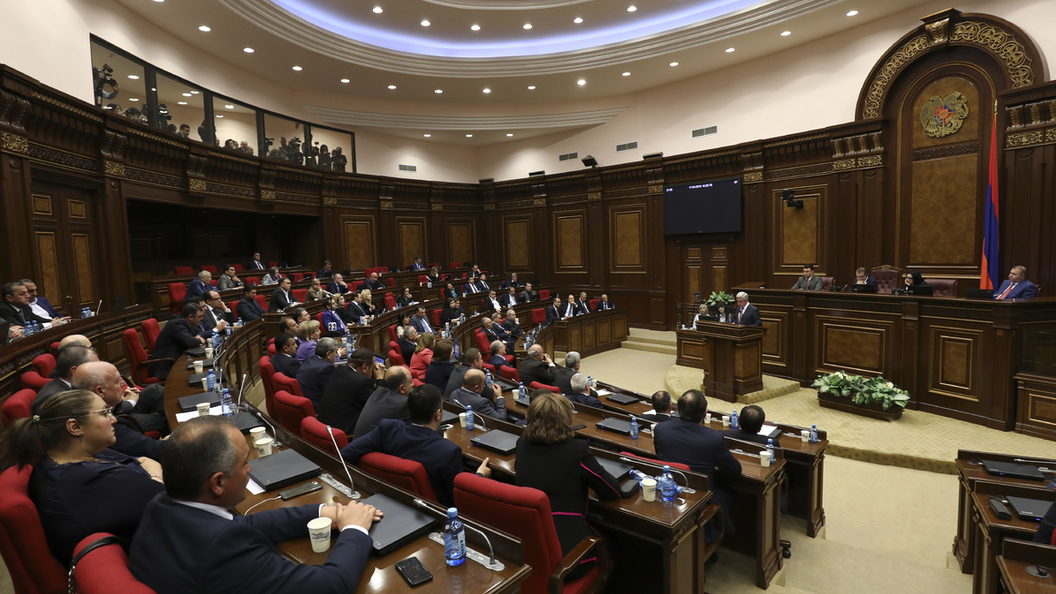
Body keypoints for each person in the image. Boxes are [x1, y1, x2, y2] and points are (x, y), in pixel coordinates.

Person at [128, 416, 381, 594]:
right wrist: (354, 529)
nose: (250, 469)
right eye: (244, 463)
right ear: (218, 483)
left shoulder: (162, 503)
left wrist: (323, 512)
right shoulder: (223, 549)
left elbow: (243, 522)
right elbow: (330, 586)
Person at [0, 390, 165, 565]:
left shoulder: (78, 453)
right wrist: (156, 475)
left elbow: (143, 459)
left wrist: (154, 475)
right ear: (75, 427)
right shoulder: (81, 480)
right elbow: (165, 496)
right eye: (105, 413)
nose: (114, 419)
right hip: (146, 561)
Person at [515, 393, 626, 576]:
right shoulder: (577, 449)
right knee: (616, 544)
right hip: (566, 554)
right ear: (566, 419)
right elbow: (612, 491)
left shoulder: (522, 444)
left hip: (530, 543)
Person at [342, 384, 490, 507]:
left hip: (391, 501)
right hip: (434, 514)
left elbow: (345, 454)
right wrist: (479, 476)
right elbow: (459, 501)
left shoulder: (387, 429)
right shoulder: (448, 451)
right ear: (438, 414)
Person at [653, 389, 741, 539]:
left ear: (678, 410)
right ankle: (722, 535)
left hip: (667, 491)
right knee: (728, 493)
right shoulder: (713, 438)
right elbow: (735, 470)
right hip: (699, 499)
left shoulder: (660, 429)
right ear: (705, 413)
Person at [73, 361, 169, 455]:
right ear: (100, 391)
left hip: (120, 409)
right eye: (117, 381)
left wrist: (121, 399)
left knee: (154, 390)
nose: (123, 384)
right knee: (166, 421)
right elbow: (160, 449)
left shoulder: (85, 404)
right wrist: (172, 439)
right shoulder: (111, 428)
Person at [319, 349, 385, 435]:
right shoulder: (362, 382)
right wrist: (380, 378)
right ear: (364, 367)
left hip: (325, 427)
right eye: (373, 367)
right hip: (345, 432)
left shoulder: (339, 369)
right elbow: (380, 404)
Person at [33, 344, 99, 412]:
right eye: (95, 368)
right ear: (75, 371)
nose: (99, 372)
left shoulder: (70, 388)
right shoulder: (55, 398)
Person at [354, 366, 414, 437]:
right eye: (411, 382)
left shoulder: (378, 392)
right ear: (402, 388)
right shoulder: (403, 403)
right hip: (375, 443)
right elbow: (412, 434)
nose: (413, 384)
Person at [150, 304, 205, 380]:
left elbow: (199, 333)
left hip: (177, 360)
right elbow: (191, 342)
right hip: (166, 366)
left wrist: (197, 337)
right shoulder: (176, 324)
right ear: (190, 317)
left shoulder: (184, 322)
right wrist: (199, 340)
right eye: (200, 316)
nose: (202, 318)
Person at [296, 338, 342, 409]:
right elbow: (335, 392)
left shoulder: (309, 358)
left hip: (301, 401)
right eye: (336, 352)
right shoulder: (326, 368)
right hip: (315, 407)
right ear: (328, 354)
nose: (336, 355)